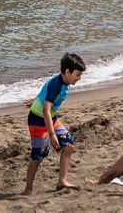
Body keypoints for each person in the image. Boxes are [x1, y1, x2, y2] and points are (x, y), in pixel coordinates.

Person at [24, 52, 84, 193]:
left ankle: (62, 181)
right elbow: (45, 109)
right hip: (38, 119)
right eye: (77, 74)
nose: (79, 78)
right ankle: (28, 188)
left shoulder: (64, 81)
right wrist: (52, 135)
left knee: (68, 143)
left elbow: (44, 92)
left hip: (50, 117)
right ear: (67, 72)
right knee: (39, 154)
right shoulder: (56, 84)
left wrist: (34, 100)